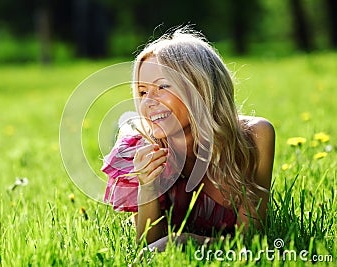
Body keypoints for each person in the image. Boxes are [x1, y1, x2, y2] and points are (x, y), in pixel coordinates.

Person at [101, 26, 275, 252]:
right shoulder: (138, 149)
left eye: (162, 87)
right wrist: (148, 187)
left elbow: (250, 241)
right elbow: (147, 247)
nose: (148, 102)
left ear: (200, 88)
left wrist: (184, 241)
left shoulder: (254, 136)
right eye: (143, 92)